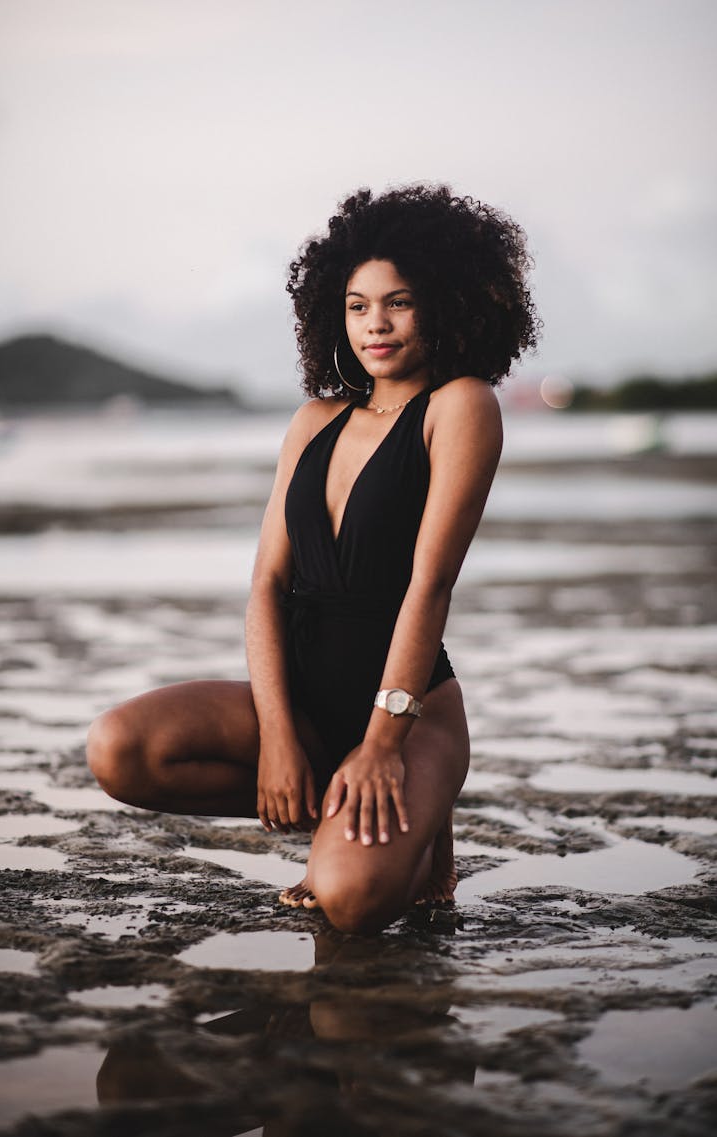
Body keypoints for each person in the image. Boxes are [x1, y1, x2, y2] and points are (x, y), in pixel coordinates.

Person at [86, 185, 538, 936]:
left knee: (350, 900)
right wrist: (279, 738)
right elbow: (266, 583)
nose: (376, 325)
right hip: (304, 702)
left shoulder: (460, 406)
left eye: (399, 302)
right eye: (358, 305)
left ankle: (419, 822)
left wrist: (383, 746)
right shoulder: (315, 420)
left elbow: (429, 586)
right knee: (120, 750)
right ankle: (350, 805)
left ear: (448, 304)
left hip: (410, 711)